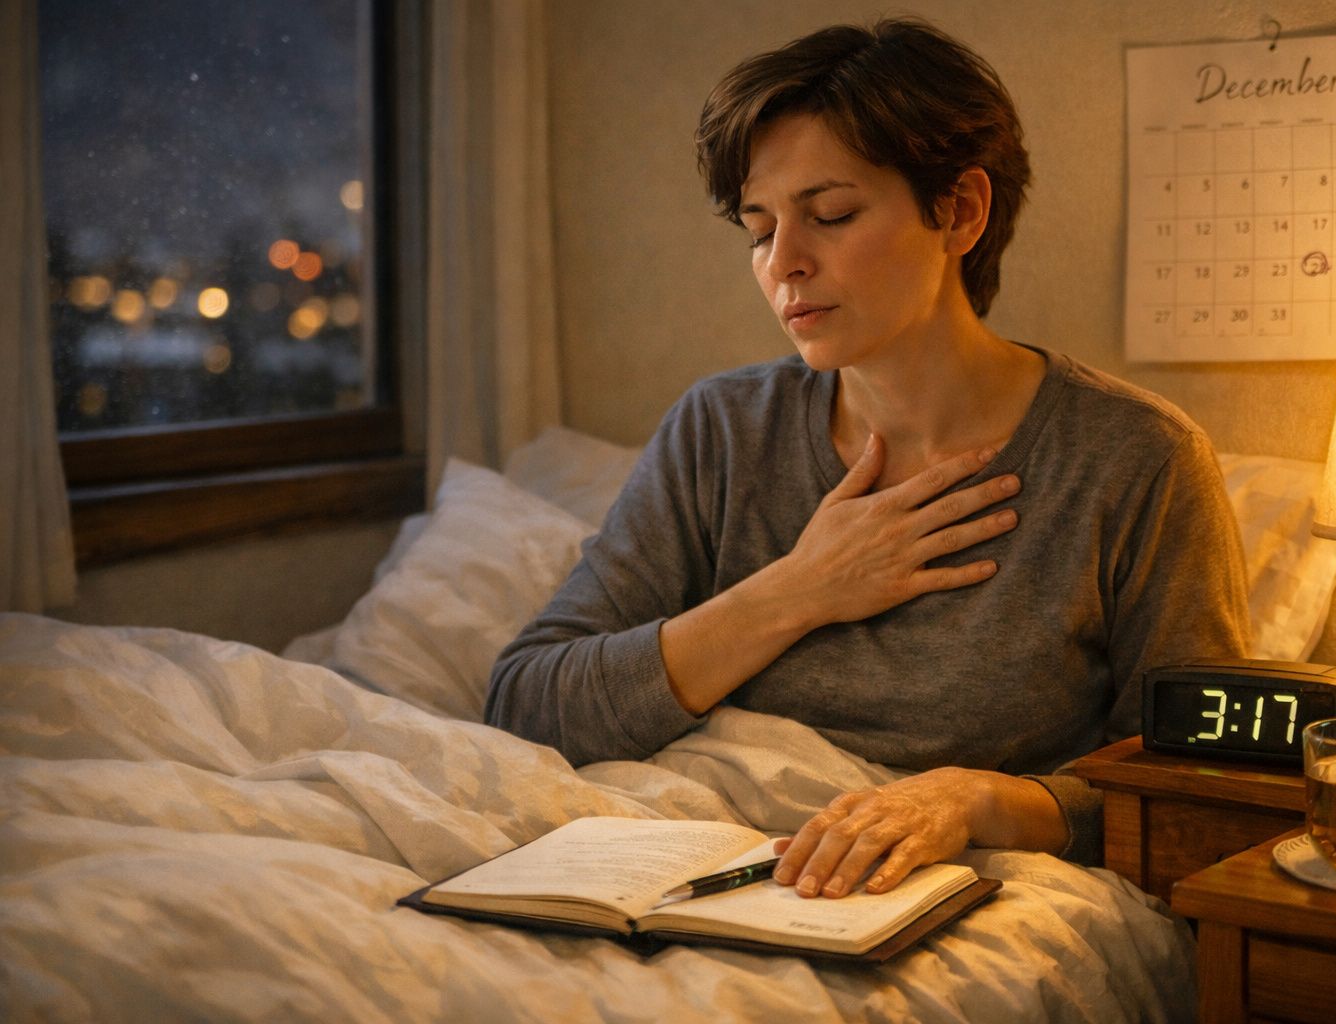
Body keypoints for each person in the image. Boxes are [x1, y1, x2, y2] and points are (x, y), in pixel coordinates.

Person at [487, 17, 1248, 900]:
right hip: (692, 871)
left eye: (832, 214)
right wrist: (799, 590)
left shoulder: (1133, 460)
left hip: (931, 901)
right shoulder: (724, 431)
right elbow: (528, 704)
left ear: (960, 211)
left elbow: (1202, 797)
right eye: (758, 229)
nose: (785, 264)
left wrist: (976, 800)